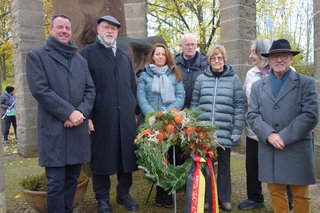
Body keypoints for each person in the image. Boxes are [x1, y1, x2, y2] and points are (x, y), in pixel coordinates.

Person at [26, 15, 96, 212]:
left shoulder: (80, 60)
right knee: (56, 182)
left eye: (67, 27)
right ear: (51, 29)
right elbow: (40, 90)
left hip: (77, 129)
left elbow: (90, 90)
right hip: (54, 130)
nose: (64, 31)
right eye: (60, 27)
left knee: (72, 178)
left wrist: (79, 113)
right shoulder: (36, 56)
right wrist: (68, 113)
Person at [247, 38, 318, 213]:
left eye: (284, 56)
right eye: (275, 57)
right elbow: (252, 115)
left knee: (300, 194)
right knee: (276, 192)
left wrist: (283, 136)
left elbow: (310, 115)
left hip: (297, 147)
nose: (279, 60)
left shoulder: (306, 83)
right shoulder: (257, 87)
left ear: (291, 58)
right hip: (270, 146)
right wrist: (269, 134)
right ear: (269, 60)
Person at [80, 15, 138, 213]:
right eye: (106, 27)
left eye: (114, 28)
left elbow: (132, 87)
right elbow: (81, 88)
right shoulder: (87, 54)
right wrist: (85, 115)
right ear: (98, 30)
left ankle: (123, 195)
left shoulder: (123, 57)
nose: (110, 31)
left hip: (125, 120)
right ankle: (103, 199)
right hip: (100, 120)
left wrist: (134, 112)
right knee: (101, 161)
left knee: (126, 160)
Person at [191, 45, 245, 212]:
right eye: (213, 58)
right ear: (209, 61)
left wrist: (237, 130)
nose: (216, 61)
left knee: (224, 167)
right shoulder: (201, 79)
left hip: (225, 131)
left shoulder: (234, 79)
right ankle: (206, 199)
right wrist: (193, 127)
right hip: (205, 133)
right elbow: (194, 104)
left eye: (219, 58)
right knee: (205, 166)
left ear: (224, 59)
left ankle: (224, 198)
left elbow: (239, 105)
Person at [136, 43, 185, 208]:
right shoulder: (144, 76)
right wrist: (153, 115)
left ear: (167, 57)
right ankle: (159, 189)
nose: (160, 57)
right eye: (157, 54)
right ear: (153, 56)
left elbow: (180, 96)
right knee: (155, 158)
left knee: (170, 157)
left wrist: (166, 115)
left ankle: (169, 191)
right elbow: (141, 98)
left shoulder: (174, 74)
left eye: (163, 54)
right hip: (151, 123)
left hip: (170, 123)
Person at [174, 33, 208, 109]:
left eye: (193, 44)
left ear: (196, 46)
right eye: (187, 44)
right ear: (181, 46)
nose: (190, 47)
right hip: (178, 111)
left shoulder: (206, 64)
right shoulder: (174, 64)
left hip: (200, 109)